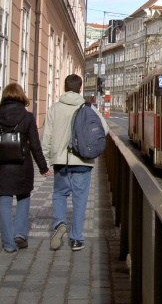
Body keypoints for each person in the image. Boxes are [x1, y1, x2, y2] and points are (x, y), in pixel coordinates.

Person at [41, 74, 108, 252]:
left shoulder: (54, 109)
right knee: (80, 199)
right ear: (80, 89)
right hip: (82, 161)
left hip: (60, 162)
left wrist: (46, 160)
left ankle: (60, 222)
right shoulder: (89, 108)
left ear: (64, 87)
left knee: (59, 194)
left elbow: (46, 137)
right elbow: (104, 129)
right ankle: (76, 238)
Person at [0, 83, 51, 253]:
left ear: (4, 96)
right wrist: (43, 167)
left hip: (2, 167)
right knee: (23, 198)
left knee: (4, 202)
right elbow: (35, 146)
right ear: (21, 96)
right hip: (22, 165)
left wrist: (1, 150)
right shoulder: (27, 117)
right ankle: (20, 233)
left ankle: (8, 244)